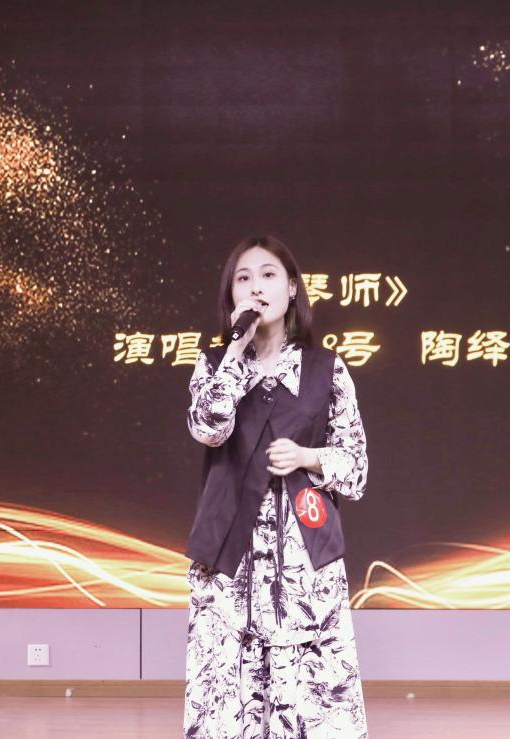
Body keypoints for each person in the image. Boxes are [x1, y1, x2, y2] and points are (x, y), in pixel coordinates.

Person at [182, 235, 369, 738]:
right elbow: (207, 427)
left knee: (310, 708)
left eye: (268, 275)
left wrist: (308, 457)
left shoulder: (326, 370)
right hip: (229, 563)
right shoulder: (214, 364)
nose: (256, 288)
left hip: (304, 568)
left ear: (291, 288)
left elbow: (356, 469)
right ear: (231, 295)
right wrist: (235, 349)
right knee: (228, 704)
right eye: (243, 279)